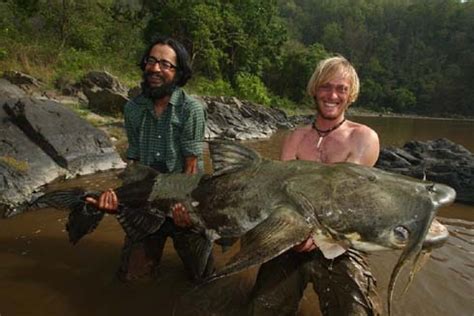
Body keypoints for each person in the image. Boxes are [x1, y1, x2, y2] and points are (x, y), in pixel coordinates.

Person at [248, 56, 383, 316]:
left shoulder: (363, 137)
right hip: (291, 239)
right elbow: (282, 195)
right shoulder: (295, 138)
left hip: (340, 243)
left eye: (341, 88)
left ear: (350, 94)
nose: (332, 95)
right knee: (261, 309)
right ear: (314, 90)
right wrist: (295, 234)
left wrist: (318, 235)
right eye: (325, 86)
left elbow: (347, 199)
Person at [86, 36, 212, 282]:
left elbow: (191, 166)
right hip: (145, 203)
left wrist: (185, 207)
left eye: (166, 64)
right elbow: (133, 164)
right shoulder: (133, 108)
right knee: (131, 278)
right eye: (151, 61)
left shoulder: (191, 109)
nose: (155, 68)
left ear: (178, 73)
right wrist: (118, 199)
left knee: (203, 279)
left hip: (183, 203)